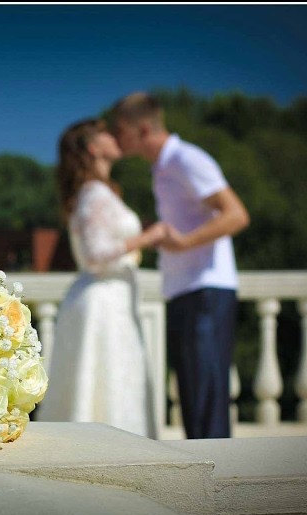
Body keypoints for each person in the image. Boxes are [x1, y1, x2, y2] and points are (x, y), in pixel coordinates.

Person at [110, 92, 250, 439]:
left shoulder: (187, 159)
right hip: (185, 290)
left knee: (206, 400)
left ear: (143, 130)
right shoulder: (162, 167)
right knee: (192, 397)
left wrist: (185, 242)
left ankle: (220, 472)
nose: (116, 139)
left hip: (206, 289)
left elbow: (236, 215)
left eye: (121, 131)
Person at [34, 118, 166, 439]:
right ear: (94, 147)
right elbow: (95, 255)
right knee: (107, 380)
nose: (114, 137)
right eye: (107, 133)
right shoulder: (94, 193)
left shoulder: (96, 191)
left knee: (110, 382)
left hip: (110, 299)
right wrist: (148, 237)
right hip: (103, 302)